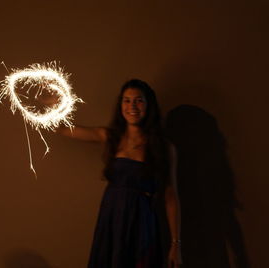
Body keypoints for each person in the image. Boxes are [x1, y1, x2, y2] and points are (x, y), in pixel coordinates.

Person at [54, 79, 182, 267]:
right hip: (111, 219)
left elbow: (171, 197)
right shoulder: (110, 136)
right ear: (120, 104)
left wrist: (175, 244)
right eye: (126, 100)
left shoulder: (163, 147)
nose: (132, 106)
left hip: (141, 223)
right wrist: (54, 106)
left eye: (139, 100)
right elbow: (63, 129)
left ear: (149, 105)